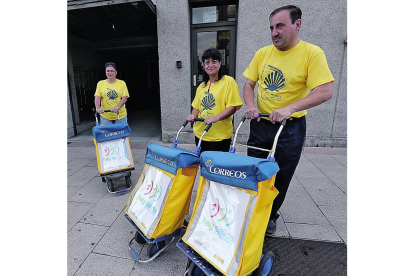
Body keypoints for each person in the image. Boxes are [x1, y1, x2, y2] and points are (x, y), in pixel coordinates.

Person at [242, 5, 334, 237]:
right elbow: (249, 84)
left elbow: (325, 90)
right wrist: (251, 106)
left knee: (281, 175)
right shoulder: (262, 53)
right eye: (272, 27)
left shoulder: (312, 54)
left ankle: (271, 215)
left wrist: (289, 109)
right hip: (261, 124)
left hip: (290, 128)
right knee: (255, 170)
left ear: (297, 24)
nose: (274, 32)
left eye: (280, 26)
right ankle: (251, 210)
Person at [187, 48, 243, 153]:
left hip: (219, 137)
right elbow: (196, 107)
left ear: (220, 63)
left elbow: (232, 107)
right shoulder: (202, 86)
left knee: (218, 168)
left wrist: (215, 118)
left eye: (214, 61)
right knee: (204, 165)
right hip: (201, 134)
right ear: (204, 66)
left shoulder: (228, 82)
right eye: (207, 62)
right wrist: (193, 115)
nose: (210, 65)